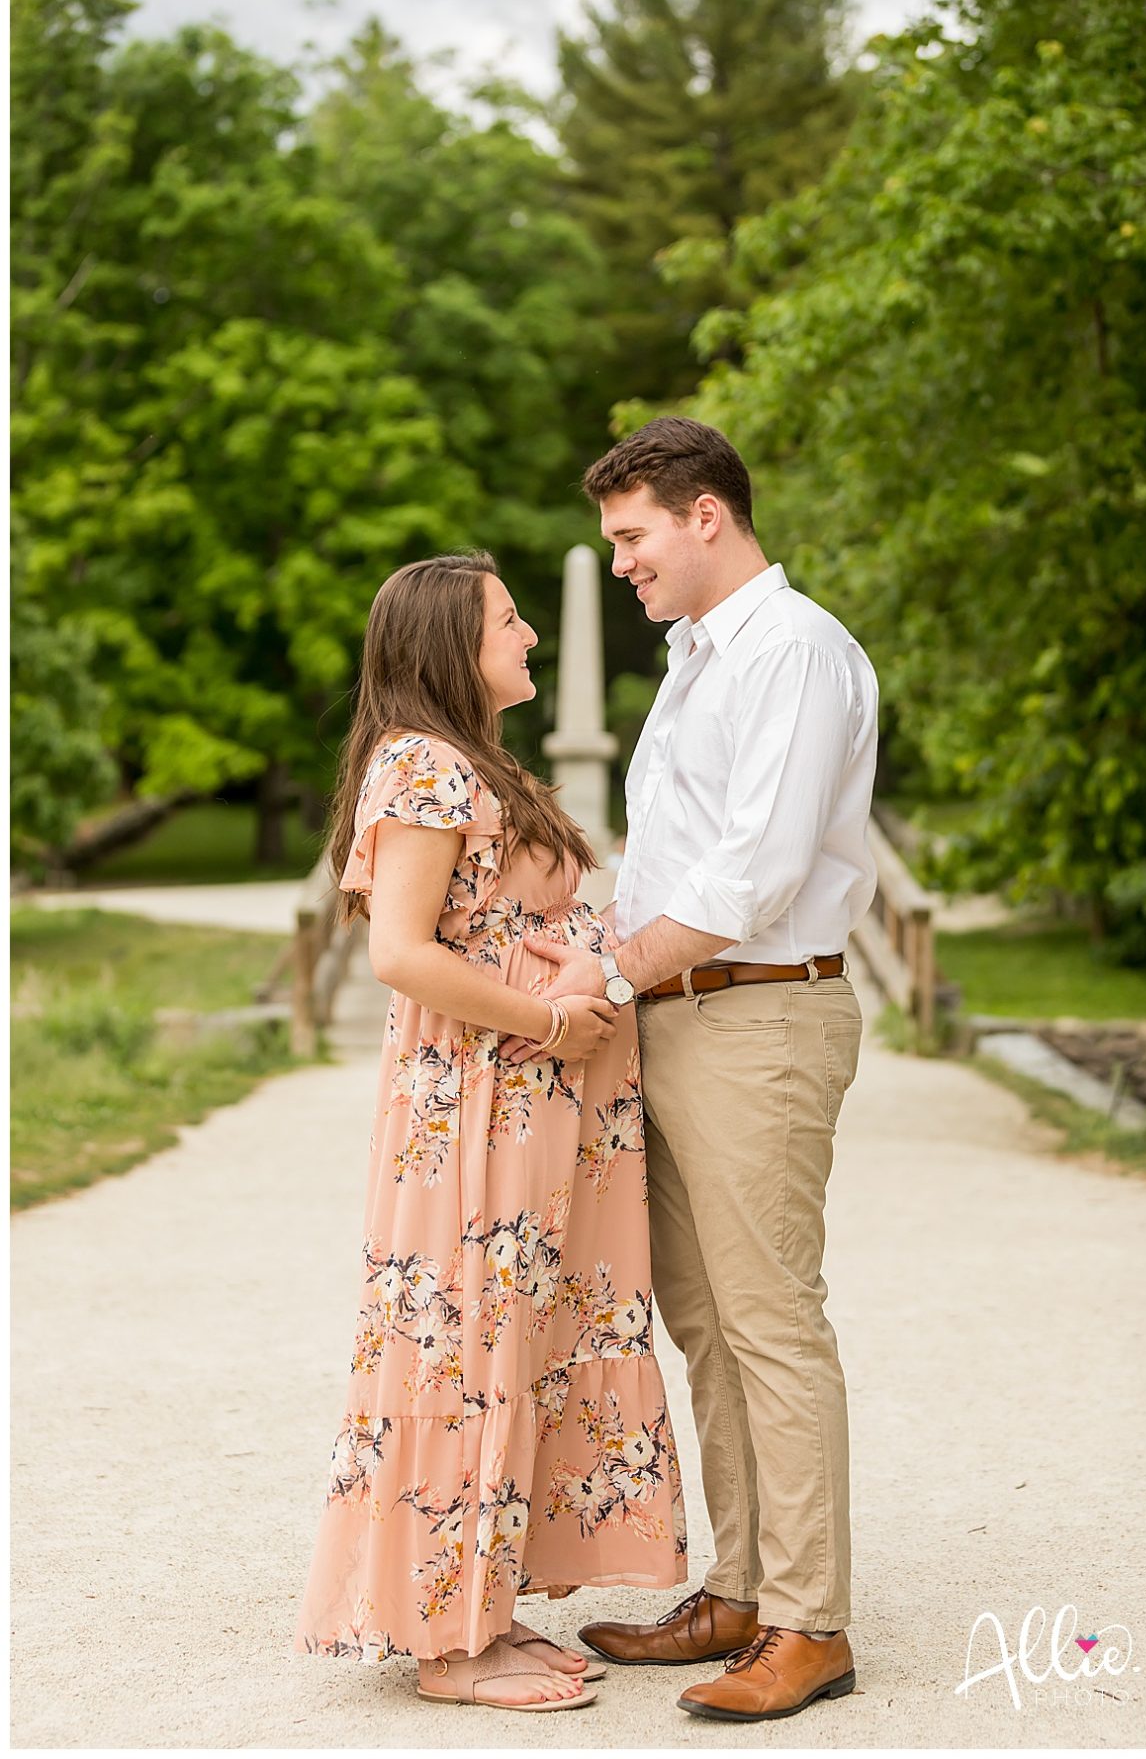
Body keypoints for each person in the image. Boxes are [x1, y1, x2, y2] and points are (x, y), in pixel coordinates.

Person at [516, 418, 877, 1723]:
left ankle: (810, 1623)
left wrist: (603, 975)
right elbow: (668, 865)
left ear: (703, 516)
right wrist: (582, 949)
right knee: (705, 1321)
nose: (619, 564)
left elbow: (752, 879)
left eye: (630, 537)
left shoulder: (791, 652)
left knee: (771, 1323)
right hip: (678, 1014)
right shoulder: (691, 658)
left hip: (760, 1017)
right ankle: (738, 1589)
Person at [295, 551, 686, 1714]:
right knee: (473, 1338)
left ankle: (479, 1600)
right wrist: (551, 1019)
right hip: (482, 1102)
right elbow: (401, 953)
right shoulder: (419, 763)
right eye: (506, 620)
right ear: (445, 646)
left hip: (536, 1099)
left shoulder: (479, 765)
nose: (527, 635)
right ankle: (448, 1647)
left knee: (523, 1339)